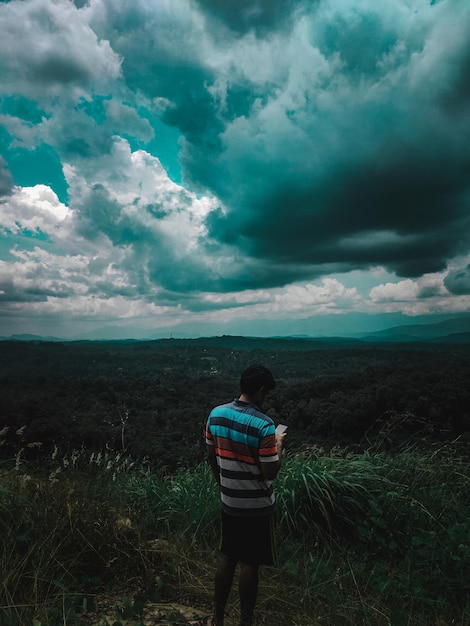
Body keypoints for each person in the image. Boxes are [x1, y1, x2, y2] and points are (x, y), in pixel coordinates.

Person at [205, 364, 286, 626]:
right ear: (261, 391)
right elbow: (270, 471)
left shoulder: (215, 414)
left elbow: (211, 456)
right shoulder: (264, 425)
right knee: (250, 562)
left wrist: (223, 485)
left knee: (228, 556)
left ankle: (217, 618)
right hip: (256, 506)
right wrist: (278, 446)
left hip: (229, 501)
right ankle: (245, 622)